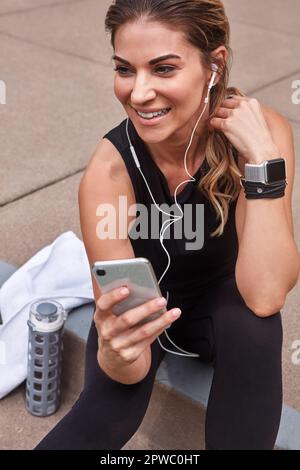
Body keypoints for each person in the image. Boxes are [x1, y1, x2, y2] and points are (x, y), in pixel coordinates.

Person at [34, 0, 299, 450]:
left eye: (163, 69)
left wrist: (262, 164)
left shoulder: (258, 135)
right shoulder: (109, 172)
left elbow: (266, 293)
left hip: (227, 313)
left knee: (256, 328)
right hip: (145, 313)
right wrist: (116, 355)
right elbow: (129, 364)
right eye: (124, 69)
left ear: (214, 65)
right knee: (105, 408)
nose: (138, 93)